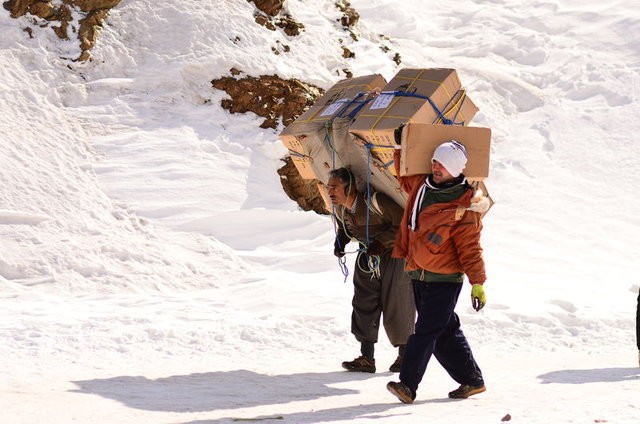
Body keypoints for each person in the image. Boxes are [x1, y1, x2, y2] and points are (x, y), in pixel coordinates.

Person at [386, 140, 490, 404]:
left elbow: (471, 249)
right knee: (445, 331)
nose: (436, 167)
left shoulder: (465, 206)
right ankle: (472, 380)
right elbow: (403, 178)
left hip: (445, 280)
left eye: (443, 164)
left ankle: (407, 385)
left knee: (425, 332)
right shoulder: (423, 186)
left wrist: (477, 282)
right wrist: (400, 149)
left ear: (455, 169)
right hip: (418, 273)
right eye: (434, 161)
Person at [328, 167, 415, 373]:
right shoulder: (341, 209)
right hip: (367, 256)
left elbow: (403, 223)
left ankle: (405, 357)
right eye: (328, 187)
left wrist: (382, 243)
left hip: (394, 255)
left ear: (349, 188)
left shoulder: (375, 202)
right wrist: (341, 241)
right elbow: (345, 227)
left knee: (397, 302)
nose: (330, 192)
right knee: (363, 302)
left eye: (334, 188)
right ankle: (367, 357)